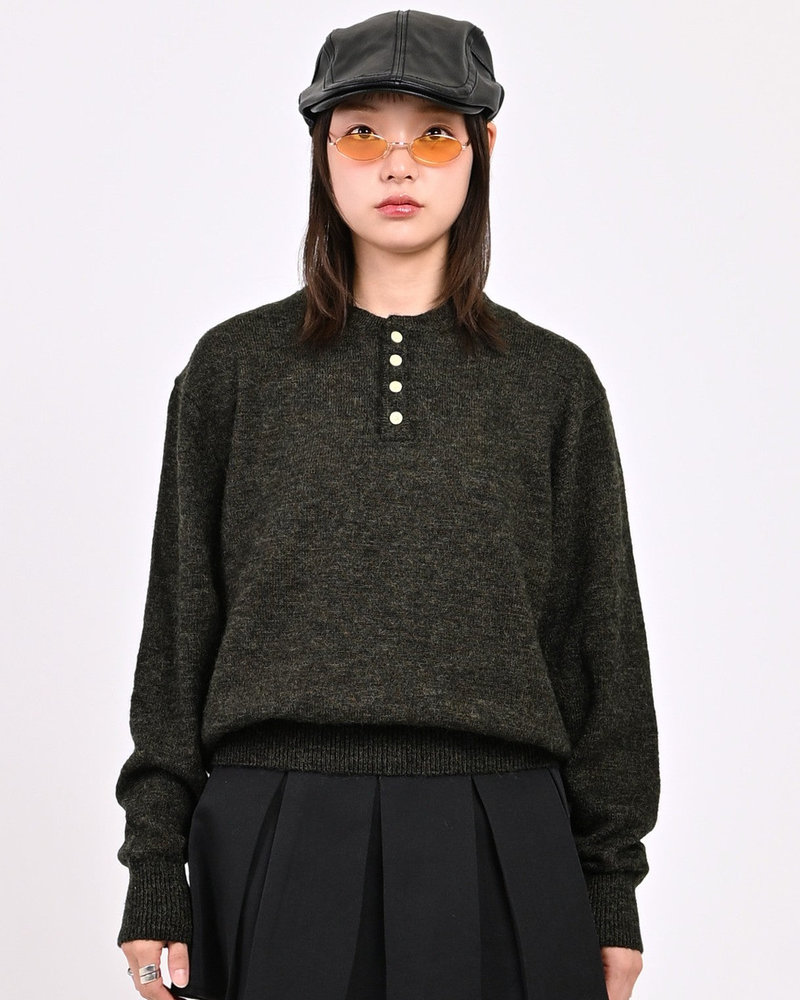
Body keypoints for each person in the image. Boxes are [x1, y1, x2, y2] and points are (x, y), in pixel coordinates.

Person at [115, 10, 660, 1000]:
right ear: (321, 150)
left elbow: (600, 643)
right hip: (272, 829)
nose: (397, 164)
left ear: (483, 148)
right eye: (362, 131)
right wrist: (155, 869)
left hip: (505, 833)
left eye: (435, 134)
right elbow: (179, 631)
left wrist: (610, 888)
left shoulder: (552, 382)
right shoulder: (233, 370)